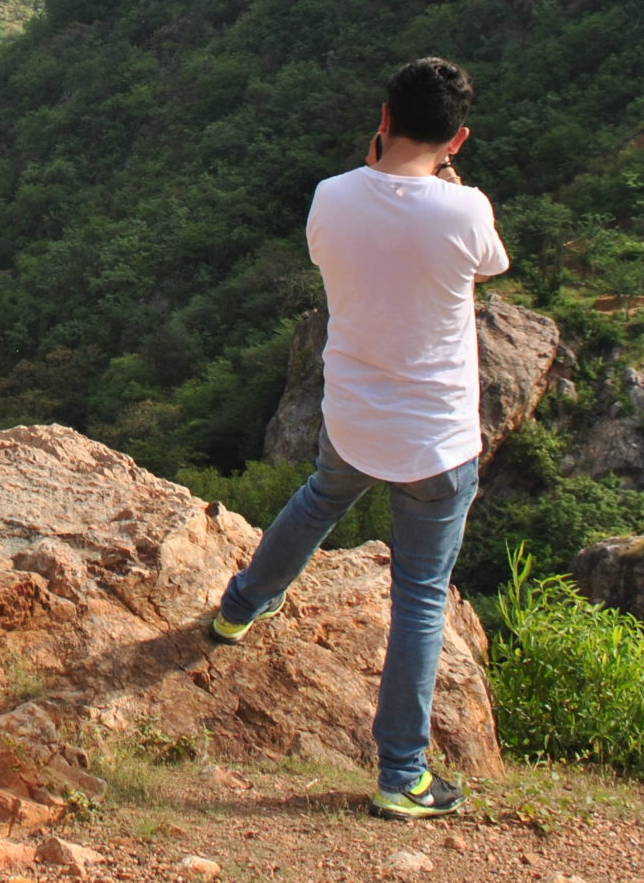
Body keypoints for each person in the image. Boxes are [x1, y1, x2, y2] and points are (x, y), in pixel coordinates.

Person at [207, 56, 509, 821]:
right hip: (438, 437)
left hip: (353, 412)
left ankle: (241, 606)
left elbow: (328, 249)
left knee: (319, 500)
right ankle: (401, 774)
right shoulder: (465, 209)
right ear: (459, 138)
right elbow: (489, 269)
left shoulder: (332, 196)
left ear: (382, 119)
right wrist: (446, 187)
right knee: (419, 595)